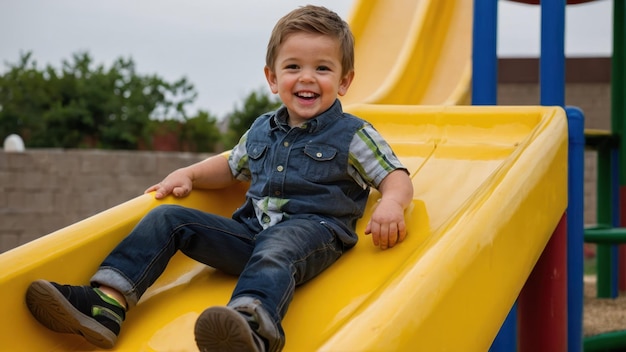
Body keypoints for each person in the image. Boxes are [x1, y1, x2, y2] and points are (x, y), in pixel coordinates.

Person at [25, 5, 413, 352]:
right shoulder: (262, 129)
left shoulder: (352, 133)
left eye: (322, 68)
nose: (307, 78)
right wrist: (189, 174)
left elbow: (393, 173)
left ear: (344, 81)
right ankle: (107, 303)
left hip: (314, 235)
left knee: (278, 245)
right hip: (250, 234)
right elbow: (230, 167)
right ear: (272, 78)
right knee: (169, 218)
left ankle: (252, 326)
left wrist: (392, 203)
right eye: (293, 67)